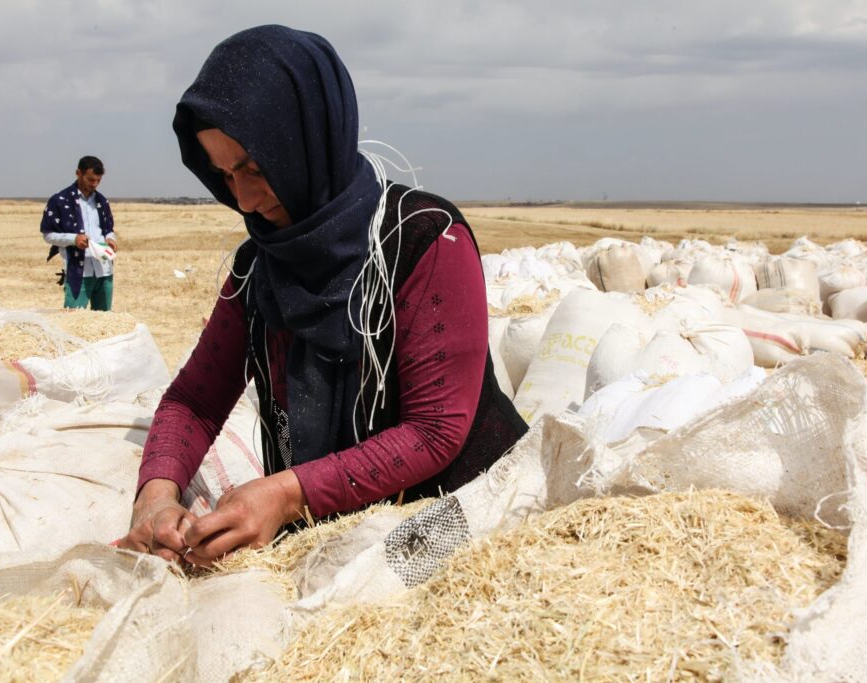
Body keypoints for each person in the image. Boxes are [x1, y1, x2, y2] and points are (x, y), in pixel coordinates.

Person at [118, 25, 527, 566]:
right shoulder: (258, 268)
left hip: (458, 514)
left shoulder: (425, 238)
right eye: (222, 174)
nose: (242, 197)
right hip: (327, 528)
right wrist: (156, 495)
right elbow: (194, 401)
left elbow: (435, 431)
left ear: (305, 141)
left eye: (254, 168)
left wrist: (286, 495)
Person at [40, 156, 117, 310]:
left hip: (104, 270)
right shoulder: (60, 200)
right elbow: (48, 234)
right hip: (78, 272)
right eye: (90, 179)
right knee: (74, 322)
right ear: (78, 173)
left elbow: (108, 229)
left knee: (106, 323)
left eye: (98, 180)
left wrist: (110, 239)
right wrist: (73, 239)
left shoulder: (102, 201)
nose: (94, 184)